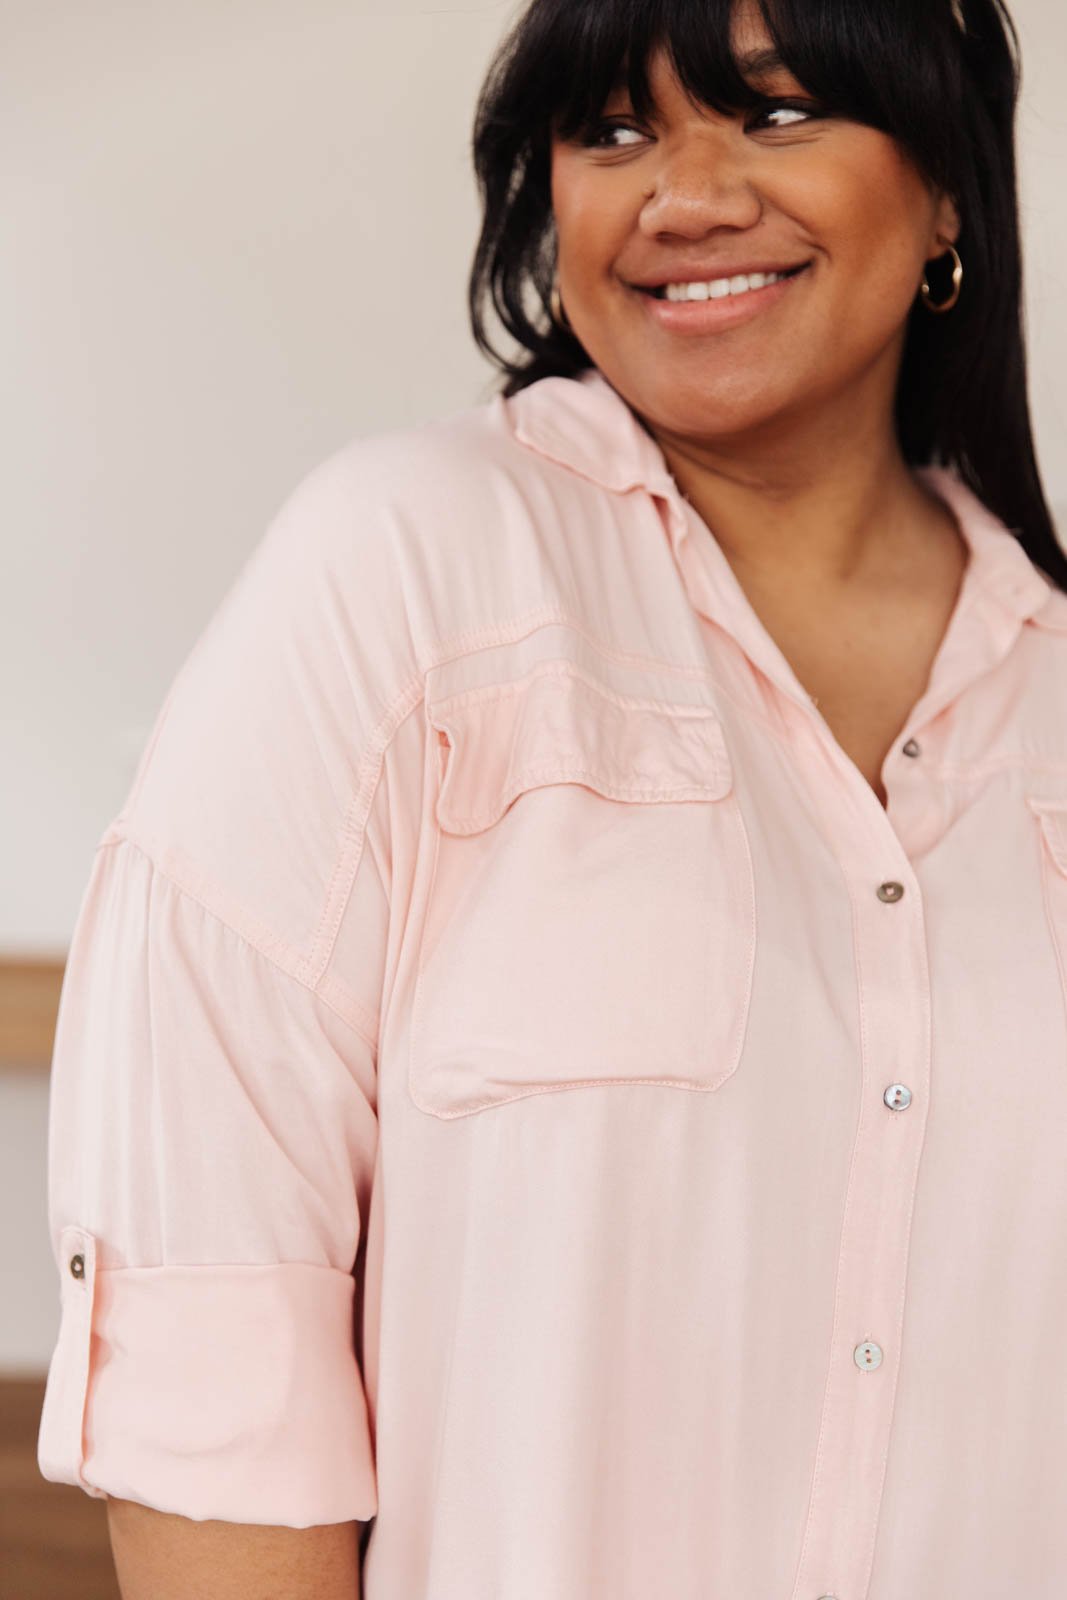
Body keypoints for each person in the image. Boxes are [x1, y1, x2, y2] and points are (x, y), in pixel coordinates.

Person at [36, 0, 1067, 1595]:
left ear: (946, 194)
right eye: (612, 131)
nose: (686, 195)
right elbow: (209, 1322)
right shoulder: (405, 577)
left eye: (777, 112)